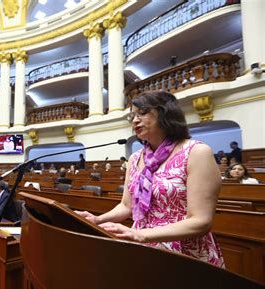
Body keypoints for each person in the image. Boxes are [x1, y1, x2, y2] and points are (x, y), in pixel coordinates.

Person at [76, 91, 224, 267]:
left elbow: (201, 221)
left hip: (185, 253)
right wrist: (98, 220)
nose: (135, 120)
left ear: (165, 113)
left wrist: (142, 234)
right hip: (143, 248)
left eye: (143, 112)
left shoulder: (196, 152)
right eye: (132, 115)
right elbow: (126, 206)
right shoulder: (135, 158)